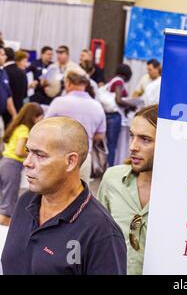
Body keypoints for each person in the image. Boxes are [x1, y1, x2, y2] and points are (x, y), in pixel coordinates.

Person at [1, 117, 127, 275]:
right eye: (28, 151)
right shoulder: (26, 201)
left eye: (40, 155)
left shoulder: (101, 232)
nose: (27, 162)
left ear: (71, 161)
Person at [98, 105, 158, 275]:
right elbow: (98, 237)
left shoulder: (183, 193)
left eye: (145, 139)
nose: (132, 146)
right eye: (132, 136)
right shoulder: (112, 179)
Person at [45, 70, 106, 184]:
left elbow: (45, 127)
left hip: (59, 154)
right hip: (84, 156)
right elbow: (99, 136)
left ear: (68, 82)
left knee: (56, 193)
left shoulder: (59, 102)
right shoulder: (97, 106)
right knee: (80, 194)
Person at [0, 103, 44, 226]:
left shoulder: (17, 126)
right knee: (8, 205)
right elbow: (19, 151)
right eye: (39, 117)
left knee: (3, 200)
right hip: (12, 166)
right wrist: (36, 153)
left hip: (4, 162)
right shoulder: (25, 129)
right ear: (33, 117)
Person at [104, 64, 136, 167]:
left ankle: (106, 166)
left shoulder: (112, 80)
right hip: (115, 116)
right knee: (112, 145)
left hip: (109, 116)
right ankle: (109, 168)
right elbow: (118, 100)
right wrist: (132, 105)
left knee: (108, 144)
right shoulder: (119, 82)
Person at [0, 47, 17, 131]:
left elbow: (8, 96)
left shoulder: (4, 73)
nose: (5, 57)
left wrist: (14, 115)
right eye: (2, 55)